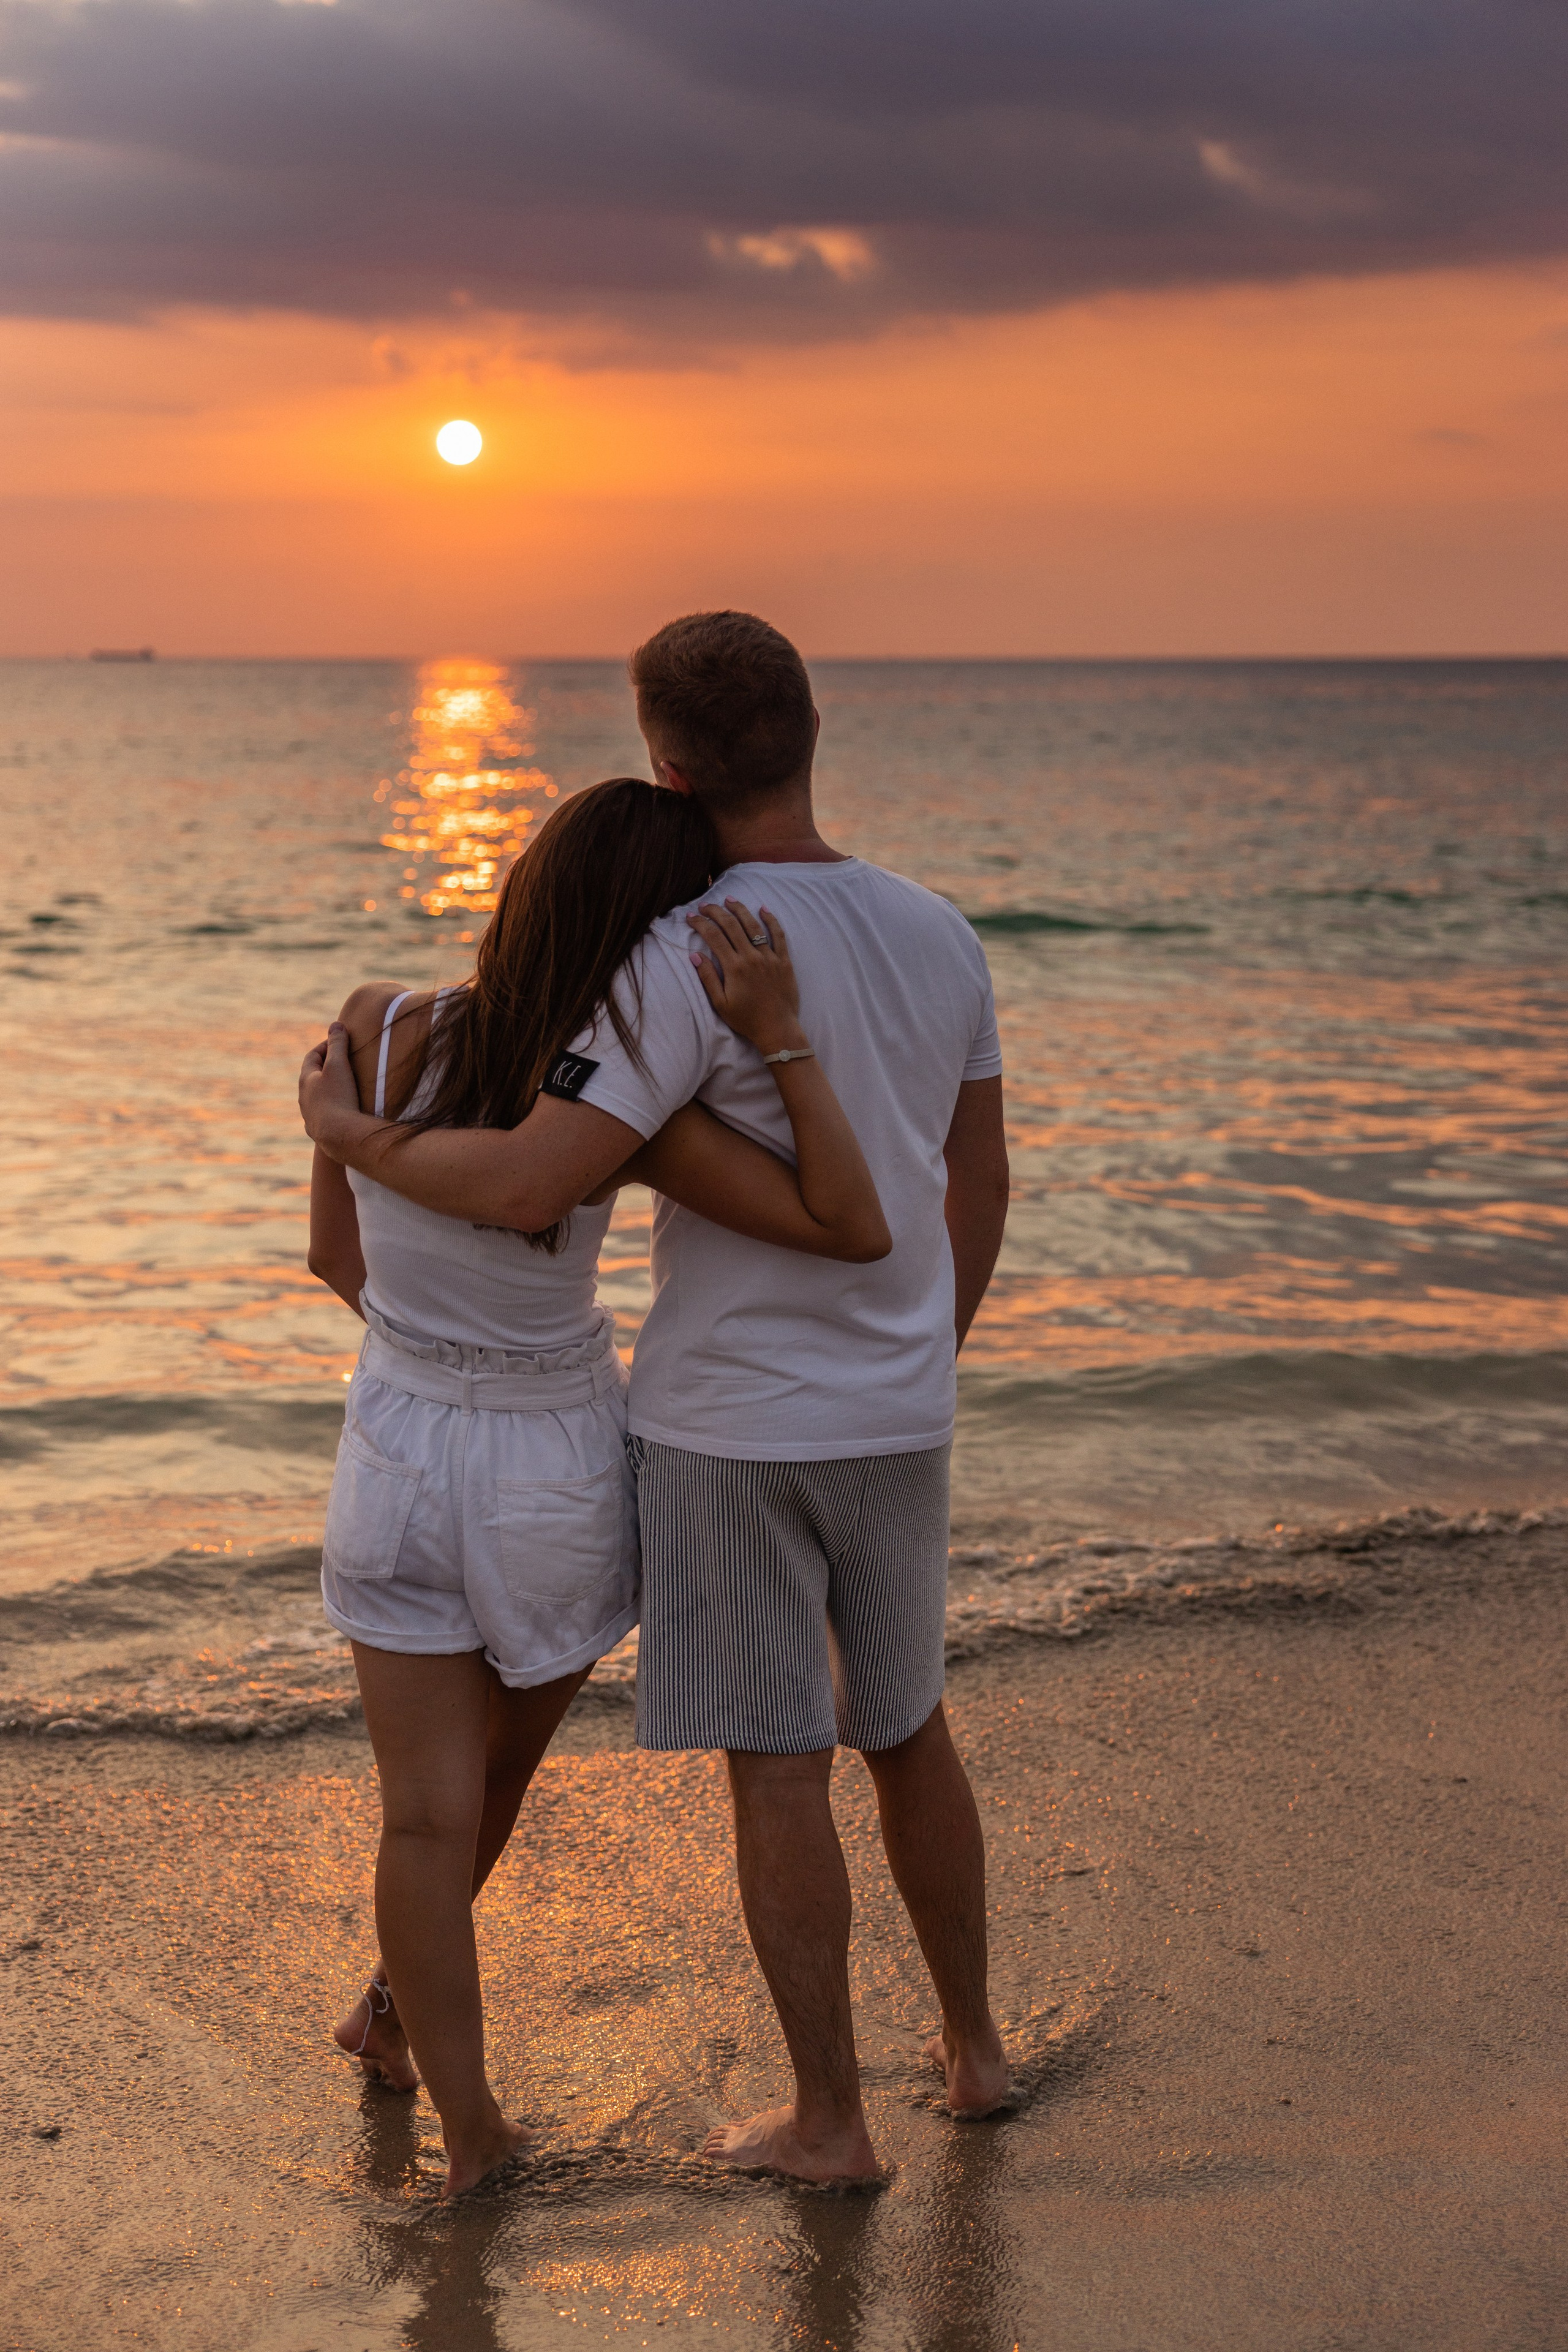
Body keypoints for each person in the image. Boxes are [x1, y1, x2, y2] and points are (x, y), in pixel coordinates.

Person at [300, 612, 1013, 2185]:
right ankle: (970, 2052)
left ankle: (830, 2120)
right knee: (905, 1725)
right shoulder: (941, 930)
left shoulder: (679, 955)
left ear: (668, 764)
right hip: (896, 1410)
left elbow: (533, 1176)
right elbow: (976, 1176)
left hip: (725, 1421)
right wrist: (921, 1353)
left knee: (776, 1759)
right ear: (813, 722)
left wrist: (352, 1141)